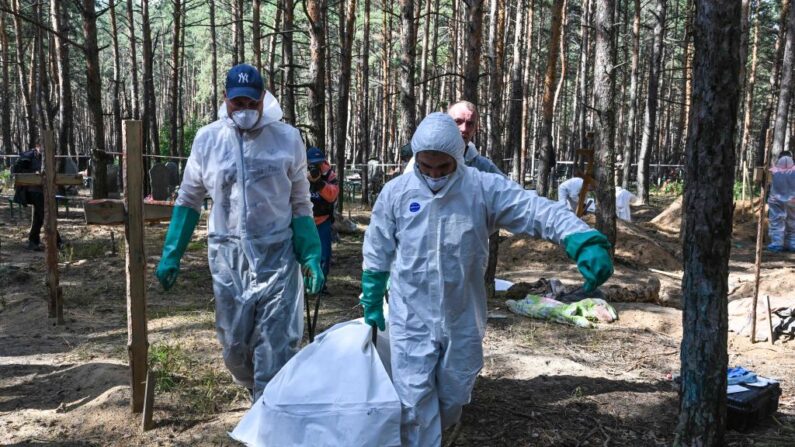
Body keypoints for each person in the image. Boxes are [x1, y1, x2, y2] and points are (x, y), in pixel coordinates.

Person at [359, 113, 613, 445]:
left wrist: (581, 238)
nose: (434, 175)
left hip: (462, 313)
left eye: (443, 167)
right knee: (413, 394)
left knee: (455, 389)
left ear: (458, 158)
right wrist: (372, 291)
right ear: (416, 159)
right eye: (426, 167)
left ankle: (442, 429)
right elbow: (378, 245)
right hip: (411, 313)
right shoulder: (397, 193)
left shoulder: (481, 188)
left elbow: (535, 210)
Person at [155, 64, 324, 400]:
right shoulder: (209, 139)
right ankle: (252, 388)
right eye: (238, 103)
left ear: (264, 98)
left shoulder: (287, 139)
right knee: (234, 344)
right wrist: (171, 253)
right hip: (228, 255)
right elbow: (189, 199)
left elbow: (300, 202)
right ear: (225, 99)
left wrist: (311, 254)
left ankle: (267, 410)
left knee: (277, 340)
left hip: (277, 252)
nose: (245, 111)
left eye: (251, 103)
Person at [404, 100, 504, 175]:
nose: (464, 129)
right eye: (458, 122)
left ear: (475, 128)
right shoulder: (423, 160)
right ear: (446, 122)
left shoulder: (483, 167)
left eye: (470, 124)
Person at [12, 144, 62, 251]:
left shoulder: (49, 157)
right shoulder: (28, 156)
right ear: (38, 146)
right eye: (42, 148)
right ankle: (57, 242)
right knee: (46, 214)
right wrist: (33, 174)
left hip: (43, 191)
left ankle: (33, 241)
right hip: (32, 191)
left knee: (39, 217)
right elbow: (16, 171)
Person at [306, 146, 339, 292]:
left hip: (323, 220)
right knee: (304, 254)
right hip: (305, 221)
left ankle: (320, 286)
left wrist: (318, 183)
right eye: (313, 163)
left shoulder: (330, 175)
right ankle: (305, 284)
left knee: (324, 255)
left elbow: (332, 196)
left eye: (318, 163)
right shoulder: (300, 172)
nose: (316, 166)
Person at [767, 151, 795, 252]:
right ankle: (792, 243)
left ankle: (777, 244)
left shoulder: (774, 170)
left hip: (776, 200)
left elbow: (768, 182)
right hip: (793, 200)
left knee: (776, 221)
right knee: (792, 221)